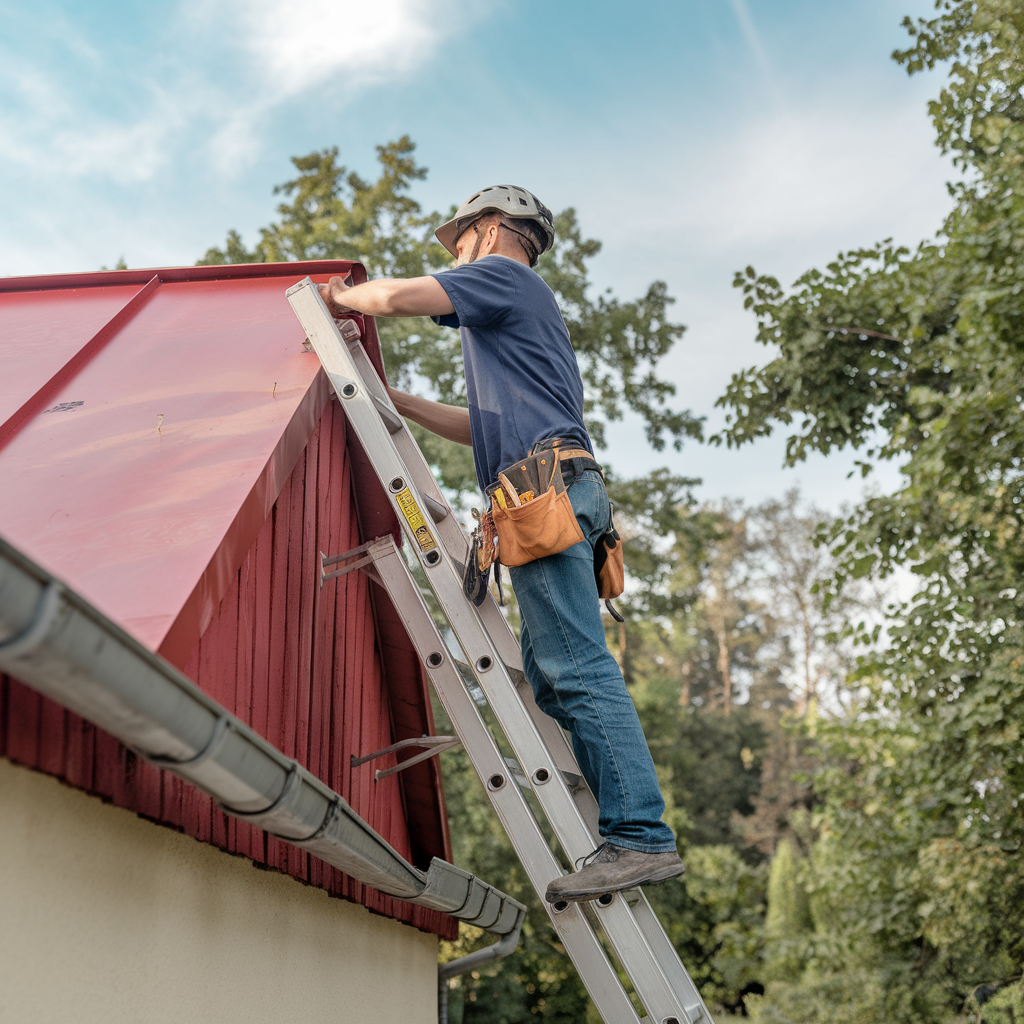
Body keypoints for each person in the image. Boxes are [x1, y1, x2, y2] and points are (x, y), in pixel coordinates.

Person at [319, 184, 683, 902]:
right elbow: (479, 423)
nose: (456, 259)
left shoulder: (506, 275)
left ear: (489, 230)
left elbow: (394, 299)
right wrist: (407, 407)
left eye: (459, 243)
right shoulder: (521, 321)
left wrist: (335, 298)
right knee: (552, 672)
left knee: (574, 665)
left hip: (541, 491)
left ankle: (639, 836)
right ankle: (629, 829)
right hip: (550, 488)